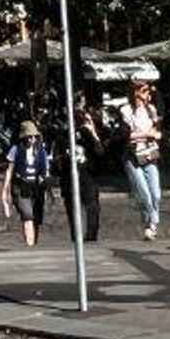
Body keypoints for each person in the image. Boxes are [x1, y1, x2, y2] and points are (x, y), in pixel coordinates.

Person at [119, 76, 166, 241]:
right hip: (133, 157)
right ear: (135, 93)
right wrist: (146, 134)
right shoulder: (126, 110)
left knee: (156, 193)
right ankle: (150, 224)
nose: (148, 94)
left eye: (147, 91)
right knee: (144, 194)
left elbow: (159, 131)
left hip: (149, 154)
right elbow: (125, 135)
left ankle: (151, 223)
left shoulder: (151, 110)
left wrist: (153, 134)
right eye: (144, 91)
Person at [60, 100, 107, 242]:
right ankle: (81, 235)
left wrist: (92, 133)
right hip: (76, 177)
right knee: (82, 206)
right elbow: (100, 152)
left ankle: (87, 235)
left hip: (85, 176)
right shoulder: (66, 135)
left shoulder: (81, 133)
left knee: (88, 206)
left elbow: (99, 152)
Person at [1, 119, 53, 246]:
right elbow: (10, 170)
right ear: (23, 137)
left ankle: (33, 243)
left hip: (36, 187)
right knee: (27, 215)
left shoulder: (41, 151)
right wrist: (5, 190)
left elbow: (45, 170)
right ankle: (29, 245)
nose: (32, 140)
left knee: (36, 218)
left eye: (34, 137)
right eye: (29, 137)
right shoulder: (16, 150)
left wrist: (48, 188)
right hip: (20, 187)